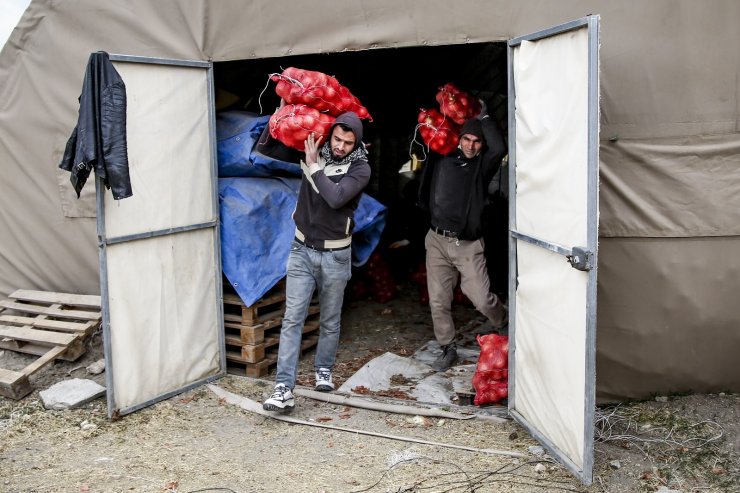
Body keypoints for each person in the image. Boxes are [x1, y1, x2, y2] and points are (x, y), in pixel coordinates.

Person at [263, 111, 371, 412]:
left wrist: (313, 166)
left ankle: (323, 369)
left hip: (336, 254)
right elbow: (268, 148)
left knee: (330, 319)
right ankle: (283, 387)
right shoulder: (312, 147)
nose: (340, 146)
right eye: (337, 139)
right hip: (301, 250)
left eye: (348, 143)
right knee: (292, 318)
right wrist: (280, 113)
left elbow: (336, 198)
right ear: (331, 134)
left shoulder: (361, 169)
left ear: (356, 143)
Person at [418, 101, 508, 372]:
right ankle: (448, 347)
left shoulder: (481, 168)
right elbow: (429, 135)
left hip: (467, 245)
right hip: (436, 241)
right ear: (458, 139)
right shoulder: (442, 157)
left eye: (476, 141)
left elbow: (500, 148)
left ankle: (503, 320)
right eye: (466, 139)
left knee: (480, 297)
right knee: (438, 299)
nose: (470, 145)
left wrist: (485, 116)